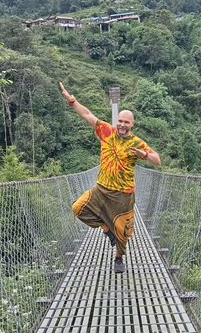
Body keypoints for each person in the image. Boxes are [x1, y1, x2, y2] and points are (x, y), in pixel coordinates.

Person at [59, 82, 161, 274]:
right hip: (102, 189)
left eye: (127, 122)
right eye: (120, 121)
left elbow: (158, 160)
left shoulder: (137, 142)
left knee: (123, 233)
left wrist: (144, 155)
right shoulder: (107, 132)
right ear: (118, 122)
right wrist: (72, 101)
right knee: (78, 208)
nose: (122, 125)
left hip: (124, 194)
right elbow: (87, 115)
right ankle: (107, 228)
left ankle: (118, 258)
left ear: (132, 124)